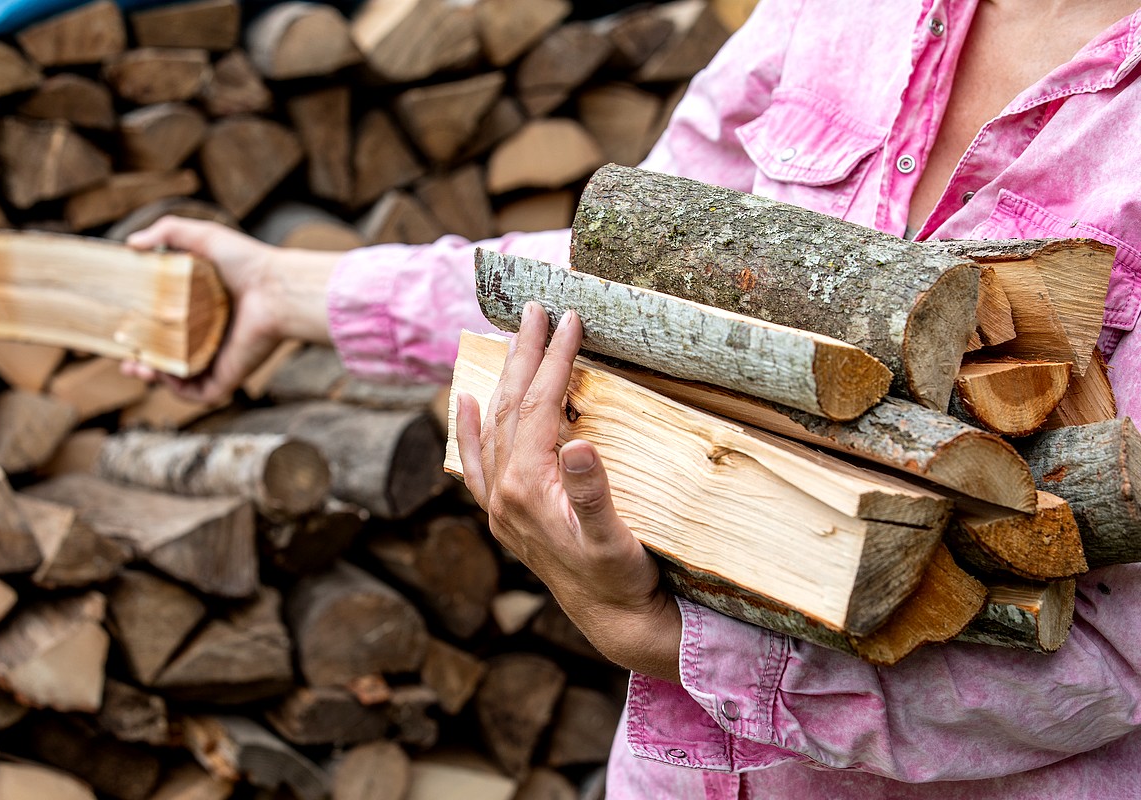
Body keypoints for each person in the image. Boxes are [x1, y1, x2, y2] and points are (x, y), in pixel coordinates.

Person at [128, 0, 1141, 796]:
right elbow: (622, 287)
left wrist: (667, 640)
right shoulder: (843, 9)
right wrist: (293, 290)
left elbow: (1117, 656)